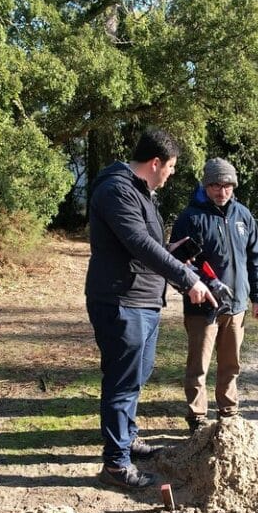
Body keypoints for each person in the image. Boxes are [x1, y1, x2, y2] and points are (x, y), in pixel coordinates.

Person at [85, 129, 217, 489]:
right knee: (122, 382)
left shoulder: (141, 193)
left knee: (137, 377)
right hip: (120, 301)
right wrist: (188, 280)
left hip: (144, 299)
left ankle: (126, 440)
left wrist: (175, 251)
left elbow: (148, 247)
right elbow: (140, 245)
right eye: (171, 166)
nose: (171, 173)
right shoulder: (117, 190)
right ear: (155, 162)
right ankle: (115, 465)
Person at [170, 158, 258, 432]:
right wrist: (193, 287)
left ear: (233, 186)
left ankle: (228, 411)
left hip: (236, 306)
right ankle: (197, 417)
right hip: (203, 309)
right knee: (198, 366)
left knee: (231, 363)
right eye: (215, 185)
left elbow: (254, 259)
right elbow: (176, 263)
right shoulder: (190, 217)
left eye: (226, 186)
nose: (221, 191)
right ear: (205, 185)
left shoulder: (244, 216)